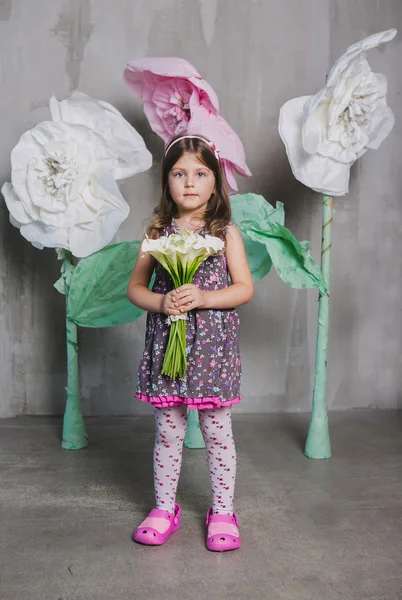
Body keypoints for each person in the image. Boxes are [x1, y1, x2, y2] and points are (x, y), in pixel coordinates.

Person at [127, 134, 253, 551]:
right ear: (167, 182)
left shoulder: (225, 233)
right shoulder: (158, 234)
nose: (190, 182)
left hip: (212, 353)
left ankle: (222, 510)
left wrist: (204, 298)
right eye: (179, 174)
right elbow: (135, 290)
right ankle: (165, 507)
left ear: (216, 181)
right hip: (170, 350)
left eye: (200, 173)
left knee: (217, 432)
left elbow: (243, 288)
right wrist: (163, 302)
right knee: (168, 431)